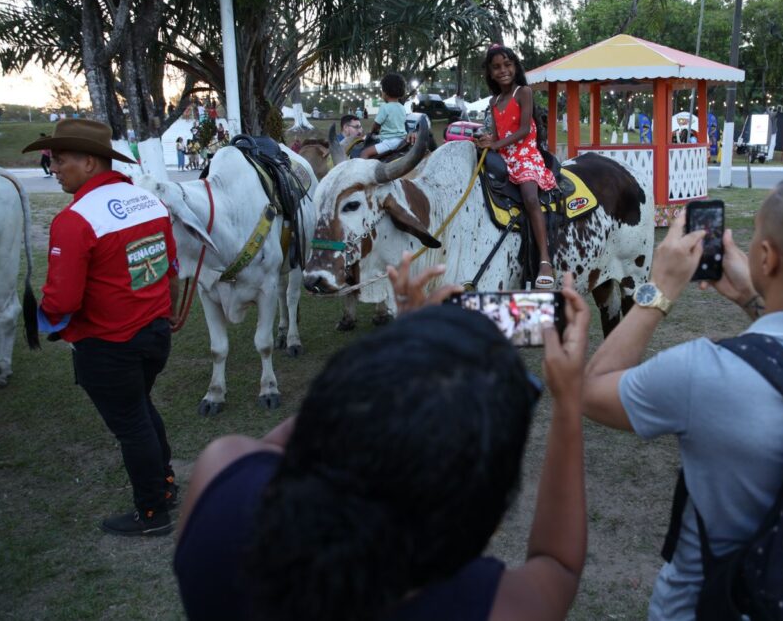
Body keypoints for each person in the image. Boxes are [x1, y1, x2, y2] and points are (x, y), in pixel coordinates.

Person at [174, 255, 590, 621]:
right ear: (488, 521)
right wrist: (569, 402)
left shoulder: (219, 477)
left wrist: (397, 351)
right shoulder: (497, 609)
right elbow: (557, 563)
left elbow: (318, 425)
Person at [580, 174, 783, 621]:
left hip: (710, 604)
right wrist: (751, 297)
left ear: (765, 257)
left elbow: (593, 389)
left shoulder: (705, 370)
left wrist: (657, 291)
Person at [22, 119, 181, 537]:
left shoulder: (74, 221)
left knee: (131, 422)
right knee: (141, 410)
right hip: (154, 333)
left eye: (59, 159)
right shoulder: (146, 201)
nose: (53, 167)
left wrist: (45, 321)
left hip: (110, 345)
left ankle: (152, 513)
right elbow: (171, 268)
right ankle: (164, 485)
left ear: (89, 161)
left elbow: (63, 301)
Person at [475, 44, 557, 289]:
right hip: (504, 155)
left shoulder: (524, 92)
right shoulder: (494, 100)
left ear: (515, 67)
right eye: (497, 67)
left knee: (530, 196)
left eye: (507, 65)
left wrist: (498, 143)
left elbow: (522, 130)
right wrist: (489, 141)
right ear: (490, 72)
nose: (503, 70)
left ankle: (544, 259)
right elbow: (499, 132)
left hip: (525, 154)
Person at [360, 74, 411, 160]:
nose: (382, 93)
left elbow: (376, 125)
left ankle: (360, 172)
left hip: (390, 142)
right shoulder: (402, 107)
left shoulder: (384, 107)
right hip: (402, 139)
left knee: (364, 153)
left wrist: (372, 132)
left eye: (382, 90)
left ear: (386, 93)